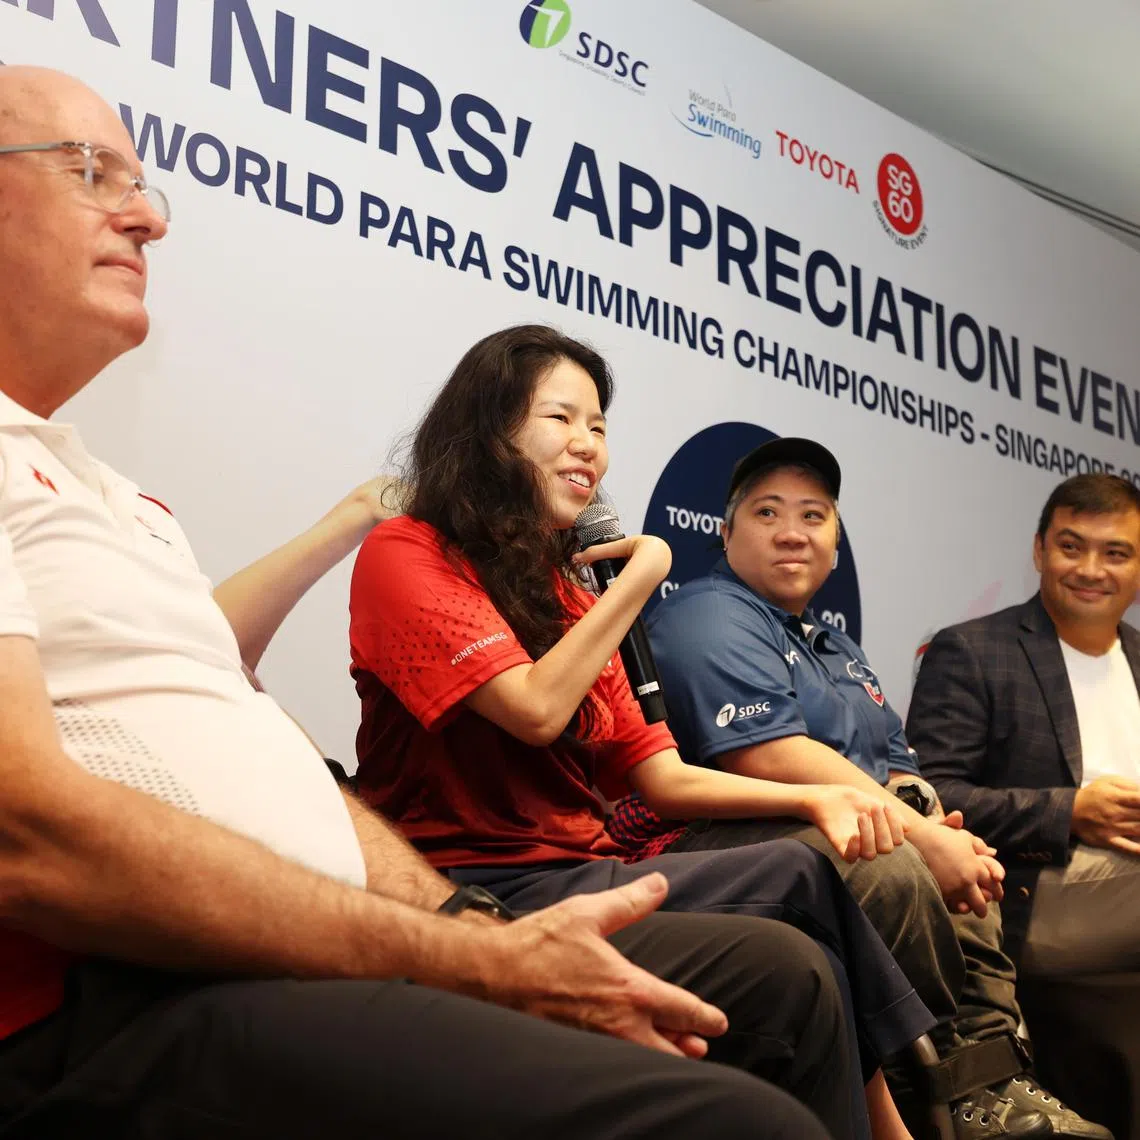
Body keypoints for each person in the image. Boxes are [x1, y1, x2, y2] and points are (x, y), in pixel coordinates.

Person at [0, 64, 855, 1140]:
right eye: (91, 172)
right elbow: (25, 832)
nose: (147, 216)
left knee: (783, 976)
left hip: (358, 934)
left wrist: (462, 927)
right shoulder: (413, 552)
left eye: (143, 179)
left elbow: (263, 742)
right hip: (135, 991)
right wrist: (468, 949)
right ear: (493, 430)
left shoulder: (122, 499)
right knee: (734, 1117)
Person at [350, 323, 939, 1139]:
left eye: (598, 426)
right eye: (561, 420)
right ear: (489, 431)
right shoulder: (408, 552)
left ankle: (893, 1123)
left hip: (584, 868)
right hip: (471, 884)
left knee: (804, 868)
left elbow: (661, 776)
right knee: (794, 958)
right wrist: (639, 584)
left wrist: (812, 801)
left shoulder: (568, 597)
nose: (588, 446)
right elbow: (531, 708)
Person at [605, 437, 1109, 1140]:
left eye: (813, 516)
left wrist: (931, 819)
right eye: (767, 512)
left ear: (835, 548)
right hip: (717, 843)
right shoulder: (708, 612)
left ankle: (988, 1091)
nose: (791, 531)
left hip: (837, 825)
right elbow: (767, 755)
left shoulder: (836, 647)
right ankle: (931, 1093)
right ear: (724, 534)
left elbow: (898, 766)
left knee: (948, 842)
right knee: (890, 857)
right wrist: (922, 835)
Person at [907, 472, 1140, 979]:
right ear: (1039, 552)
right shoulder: (973, 651)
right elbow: (930, 799)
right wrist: (1070, 812)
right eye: (1071, 547)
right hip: (1032, 893)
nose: (1091, 570)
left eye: (1116, 554)